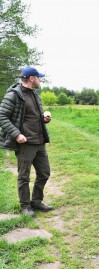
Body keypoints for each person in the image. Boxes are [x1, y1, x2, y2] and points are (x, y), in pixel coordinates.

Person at [0, 67, 53, 217]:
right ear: (31, 78)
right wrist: (17, 135)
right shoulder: (13, 95)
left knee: (44, 173)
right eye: (39, 77)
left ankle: (36, 202)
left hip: (39, 141)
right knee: (24, 176)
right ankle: (25, 206)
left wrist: (44, 119)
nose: (40, 80)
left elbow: (33, 116)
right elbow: (2, 116)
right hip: (25, 143)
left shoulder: (34, 94)